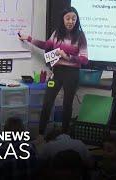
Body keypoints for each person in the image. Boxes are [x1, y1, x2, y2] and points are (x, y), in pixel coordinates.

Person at [18, 7, 88, 140]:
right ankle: (40, 134)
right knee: (47, 102)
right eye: (68, 18)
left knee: (67, 105)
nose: (71, 21)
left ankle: (65, 136)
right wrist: (28, 39)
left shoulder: (80, 36)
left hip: (72, 73)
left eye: (74, 18)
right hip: (57, 72)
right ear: (63, 19)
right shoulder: (57, 33)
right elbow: (46, 46)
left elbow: (84, 59)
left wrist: (68, 57)